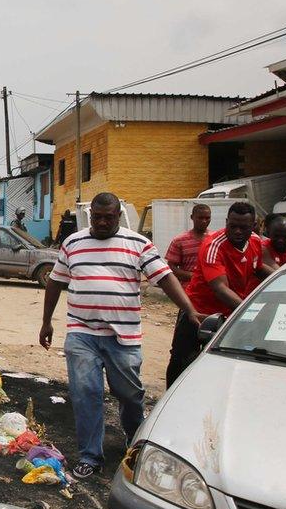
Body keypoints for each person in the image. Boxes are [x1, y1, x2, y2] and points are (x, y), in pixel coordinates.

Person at [39, 192, 202, 480]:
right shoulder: (73, 242)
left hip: (123, 336)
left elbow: (164, 278)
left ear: (118, 215)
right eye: (97, 217)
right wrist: (46, 322)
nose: (102, 222)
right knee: (85, 392)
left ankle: (133, 438)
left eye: (108, 217)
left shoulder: (138, 243)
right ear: (91, 216)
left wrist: (189, 310)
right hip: (82, 332)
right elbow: (55, 282)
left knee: (129, 394)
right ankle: (90, 455)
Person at [167, 202, 271, 388]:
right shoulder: (213, 245)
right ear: (226, 222)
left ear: (254, 225)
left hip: (231, 312)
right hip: (199, 312)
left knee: (226, 360)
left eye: (244, 227)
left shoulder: (255, 242)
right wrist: (248, 312)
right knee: (181, 359)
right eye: (233, 226)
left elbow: (259, 268)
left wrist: (284, 279)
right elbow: (220, 288)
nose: (238, 231)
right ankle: (170, 400)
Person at [164, 204, 211, 284]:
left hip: (212, 290)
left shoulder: (215, 239)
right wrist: (193, 276)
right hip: (188, 291)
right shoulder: (179, 241)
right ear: (192, 217)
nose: (204, 221)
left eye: (207, 218)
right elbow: (171, 267)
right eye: (200, 218)